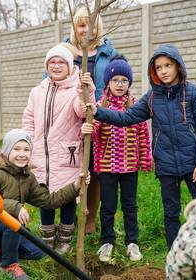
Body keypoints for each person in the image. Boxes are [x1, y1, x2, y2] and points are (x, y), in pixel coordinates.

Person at [84, 44, 196, 248]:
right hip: (167, 165)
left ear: (178, 66)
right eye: (159, 67)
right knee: (171, 211)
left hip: (193, 164)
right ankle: (175, 250)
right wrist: (98, 112)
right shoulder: (152, 97)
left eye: (168, 65)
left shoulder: (194, 93)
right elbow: (126, 117)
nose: (163, 71)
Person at [0, 129, 89, 280]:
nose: (22, 153)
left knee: (40, 251)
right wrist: (15, 207)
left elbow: (49, 202)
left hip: (7, 226)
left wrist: (75, 187)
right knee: (13, 222)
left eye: (26, 149)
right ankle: (8, 266)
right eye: (16, 149)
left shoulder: (27, 177)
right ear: (5, 153)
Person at [21, 43, 95, 254]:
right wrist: (29, 142)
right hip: (41, 156)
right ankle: (47, 239)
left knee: (68, 197)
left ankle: (64, 239)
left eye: (61, 62)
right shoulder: (37, 91)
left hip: (66, 154)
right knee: (45, 197)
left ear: (70, 66)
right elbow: (28, 117)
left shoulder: (75, 89)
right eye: (51, 62)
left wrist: (85, 91)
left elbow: (83, 111)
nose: (55, 66)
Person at [81, 57, 152, 262]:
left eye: (124, 80)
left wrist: (145, 158)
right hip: (107, 166)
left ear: (129, 83)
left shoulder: (136, 105)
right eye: (115, 80)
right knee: (108, 206)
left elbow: (143, 135)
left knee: (130, 205)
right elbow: (93, 135)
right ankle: (107, 241)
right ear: (108, 83)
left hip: (130, 166)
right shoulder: (99, 105)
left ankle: (132, 241)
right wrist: (90, 126)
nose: (120, 85)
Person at [66, 6, 119, 234]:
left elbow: (118, 85)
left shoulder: (109, 54)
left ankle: (89, 220)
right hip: (68, 118)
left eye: (89, 24)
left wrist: (101, 110)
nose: (85, 30)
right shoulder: (64, 53)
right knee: (69, 168)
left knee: (95, 170)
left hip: (99, 118)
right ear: (74, 27)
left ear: (97, 26)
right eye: (80, 25)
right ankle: (66, 221)